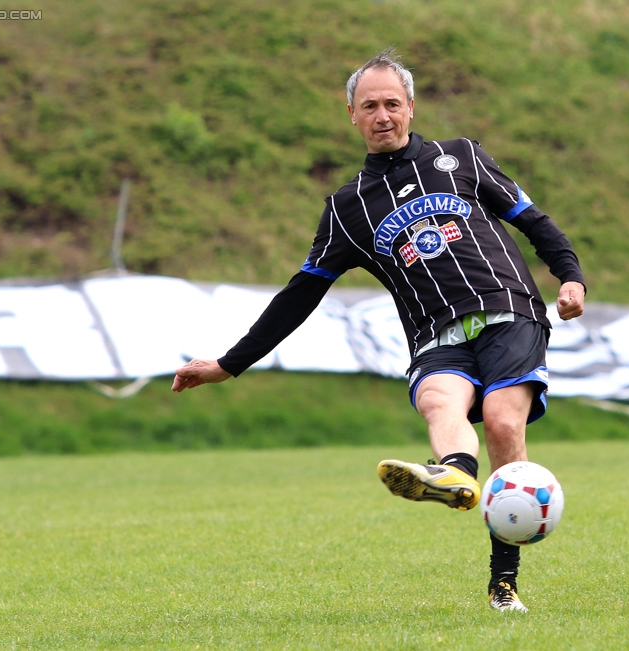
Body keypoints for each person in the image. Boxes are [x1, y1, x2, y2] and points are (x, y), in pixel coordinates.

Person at [172, 47, 585, 613]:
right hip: (434, 334)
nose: (383, 115)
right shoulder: (347, 209)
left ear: (411, 107)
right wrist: (229, 363)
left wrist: (570, 277)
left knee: (500, 421)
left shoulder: (459, 157)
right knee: (441, 401)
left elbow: (533, 222)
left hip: (507, 311)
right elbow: (302, 293)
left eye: (393, 103)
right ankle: (457, 479)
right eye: (370, 106)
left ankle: (503, 580)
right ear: (352, 115)